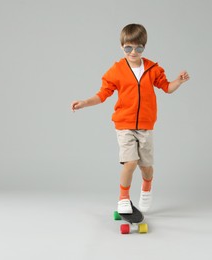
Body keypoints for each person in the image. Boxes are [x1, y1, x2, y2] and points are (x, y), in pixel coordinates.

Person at [70, 23, 190, 214]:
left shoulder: (153, 69)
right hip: (124, 124)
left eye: (138, 48)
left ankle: (146, 188)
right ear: (122, 47)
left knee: (146, 167)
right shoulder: (116, 70)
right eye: (128, 48)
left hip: (146, 125)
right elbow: (102, 95)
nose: (133, 52)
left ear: (144, 47)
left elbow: (167, 88)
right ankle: (123, 198)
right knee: (130, 163)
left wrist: (179, 81)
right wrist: (85, 102)